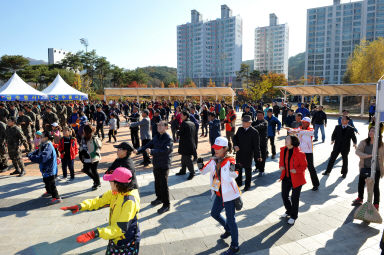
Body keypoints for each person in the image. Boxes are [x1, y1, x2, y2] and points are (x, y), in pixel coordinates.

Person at [61, 167, 141, 255]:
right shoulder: (117, 193)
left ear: (118, 184)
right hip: (115, 236)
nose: (110, 183)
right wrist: (80, 206)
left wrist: (96, 233)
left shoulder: (129, 201)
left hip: (125, 240)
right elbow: (99, 201)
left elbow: (120, 228)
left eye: (111, 181)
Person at [198, 137, 240, 255]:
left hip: (229, 195)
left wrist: (234, 169)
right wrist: (200, 165)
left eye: (218, 148)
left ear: (225, 149)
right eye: (214, 148)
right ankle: (228, 229)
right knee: (214, 213)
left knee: (231, 220)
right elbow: (203, 171)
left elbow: (234, 175)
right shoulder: (213, 160)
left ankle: (235, 245)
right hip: (219, 193)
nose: (215, 150)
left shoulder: (230, 160)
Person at [136, 120, 173, 214]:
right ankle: (159, 198)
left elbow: (165, 151)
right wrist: (138, 151)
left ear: (166, 127)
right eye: (158, 125)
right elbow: (148, 145)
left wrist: (152, 151)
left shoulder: (168, 138)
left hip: (164, 164)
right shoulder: (156, 136)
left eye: (161, 125)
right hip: (156, 163)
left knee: (164, 185)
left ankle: (166, 204)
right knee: (157, 182)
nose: (159, 127)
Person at [279, 135, 307, 225]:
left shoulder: (300, 153)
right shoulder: (283, 150)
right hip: (286, 177)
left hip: (297, 179)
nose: (285, 140)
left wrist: (296, 170)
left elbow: (304, 166)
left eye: (287, 139)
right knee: (284, 195)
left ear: (293, 141)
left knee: (294, 198)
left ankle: (294, 216)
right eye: (285, 139)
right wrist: (281, 166)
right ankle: (289, 210)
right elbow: (281, 161)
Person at [353, 127, 384, 210]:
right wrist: (368, 156)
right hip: (365, 167)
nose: (371, 132)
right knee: (361, 183)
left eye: (373, 131)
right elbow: (357, 151)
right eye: (370, 131)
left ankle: (376, 204)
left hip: (376, 169)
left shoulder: (380, 144)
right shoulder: (364, 142)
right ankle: (360, 198)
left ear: (377, 133)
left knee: (375, 186)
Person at [28, 131, 62, 204]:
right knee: (46, 181)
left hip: (50, 169)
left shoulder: (48, 146)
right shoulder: (44, 144)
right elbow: (38, 151)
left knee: (51, 183)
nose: (40, 138)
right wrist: (31, 154)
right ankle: (49, 192)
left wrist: (32, 157)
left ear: (46, 138)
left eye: (42, 137)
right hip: (45, 168)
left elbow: (43, 158)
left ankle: (56, 197)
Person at [287, 117, 319, 191]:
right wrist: (289, 130)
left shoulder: (311, 130)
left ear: (308, 123)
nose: (303, 123)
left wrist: (297, 131)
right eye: (302, 122)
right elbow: (293, 131)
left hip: (308, 152)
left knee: (311, 168)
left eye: (304, 122)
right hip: (300, 152)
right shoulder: (299, 128)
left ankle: (316, 184)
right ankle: (296, 183)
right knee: (297, 168)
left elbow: (304, 132)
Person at [233, 115, 261, 191]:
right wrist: (235, 145)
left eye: (244, 122)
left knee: (248, 170)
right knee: (238, 168)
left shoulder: (254, 132)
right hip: (239, 153)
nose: (243, 123)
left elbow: (256, 145)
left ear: (249, 123)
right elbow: (235, 138)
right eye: (242, 121)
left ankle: (247, 185)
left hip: (248, 154)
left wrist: (258, 156)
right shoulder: (240, 129)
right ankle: (238, 182)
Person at [79, 124, 103, 190]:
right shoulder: (83, 138)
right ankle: (96, 181)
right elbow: (81, 146)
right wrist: (81, 152)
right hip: (87, 157)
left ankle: (96, 183)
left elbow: (99, 147)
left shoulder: (94, 138)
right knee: (85, 169)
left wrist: (94, 153)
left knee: (94, 170)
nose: (83, 131)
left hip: (94, 157)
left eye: (84, 130)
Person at [176, 110, 196, 180]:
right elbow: (195, 135)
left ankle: (192, 172)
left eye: (182, 115)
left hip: (185, 144)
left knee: (187, 159)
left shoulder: (184, 123)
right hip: (191, 143)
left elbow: (181, 133)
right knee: (183, 158)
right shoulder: (192, 123)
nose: (181, 116)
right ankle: (183, 170)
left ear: (185, 116)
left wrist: (177, 132)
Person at [252, 110, 268, 176]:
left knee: (263, 156)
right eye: (258, 115)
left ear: (263, 115)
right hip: (255, 143)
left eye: (261, 115)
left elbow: (260, 126)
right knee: (256, 156)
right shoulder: (254, 122)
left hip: (263, 143)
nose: (259, 116)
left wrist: (252, 128)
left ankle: (262, 170)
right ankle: (257, 167)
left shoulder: (265, 122)